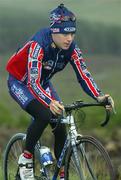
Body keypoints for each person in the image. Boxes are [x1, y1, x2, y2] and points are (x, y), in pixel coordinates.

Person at [6, 4, 114, 180]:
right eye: (64, 33)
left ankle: (60, 170)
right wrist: (49, 102)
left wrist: (99, 96)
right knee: (44, 114)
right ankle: (26, 160)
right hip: (21, 82)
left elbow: (84, 75)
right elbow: (32, 83)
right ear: (53, 31)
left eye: (72, 33)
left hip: (42, 82)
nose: (69, 38)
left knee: (60, 119)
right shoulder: (38, 44)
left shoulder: (71, 48)